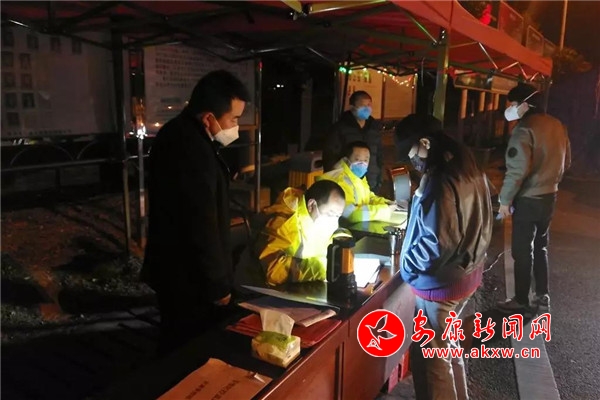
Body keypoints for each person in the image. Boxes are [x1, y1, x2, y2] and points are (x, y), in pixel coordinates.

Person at [141, 70, 251, 356]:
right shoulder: (190, 149)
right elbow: (200, 223)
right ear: (208, 118)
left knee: (177, 339)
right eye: (234, 119)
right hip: (187, 277)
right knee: (186, 347)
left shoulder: (183, 135)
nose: (236, 126)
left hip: (179, 271)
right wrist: (218, 285)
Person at [400, 130, 493, 400]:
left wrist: (408, 268)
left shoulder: (440, 182)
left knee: (433, 361)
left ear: (425, 143)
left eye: (413, 153)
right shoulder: (469, 170)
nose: (414, 161)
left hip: (441, 283)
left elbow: (435, 245)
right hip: (466, 272)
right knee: (448, 346)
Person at [497, 83, 571, 313]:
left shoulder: (524, 129)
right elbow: (567, 161)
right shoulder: (557, 125)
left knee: (522, 251)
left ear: (525, 105)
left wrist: (505, 201)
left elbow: (517, 170)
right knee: (541, 247)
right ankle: (542, 295)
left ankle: (521, 299)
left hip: (528, 199)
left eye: (513, 104)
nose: (510, 109)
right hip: (550, 196)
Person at [255, 180, 346, 286]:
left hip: (298, 286)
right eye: (331, 214)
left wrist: (345, 247)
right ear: (311, 205)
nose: (334, 221)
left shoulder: (317, 220)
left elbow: (332, 238)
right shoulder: (285, 220)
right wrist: (322, 269)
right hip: (259, 290)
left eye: (338, 216)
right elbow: (273, 270)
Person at [318, 140, 397, 224]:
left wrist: (385, 203)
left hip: (358, 225)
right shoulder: (340, 180)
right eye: (357, 159)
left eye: (365, 160)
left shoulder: (358, 177)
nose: (362, 164)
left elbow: (368, 197)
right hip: (343, 228)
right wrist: (384, 211)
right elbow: (351, 214)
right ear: (347, 160)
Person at [323, 91, 383, 193]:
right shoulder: (339, 128)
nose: (367, 108)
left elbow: (379, 156)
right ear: (352, 107)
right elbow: (330, 157)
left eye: (369, 105)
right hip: (346, 184)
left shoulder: (374, 128)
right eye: (363, 105)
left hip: (371, 184)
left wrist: (379, 180)